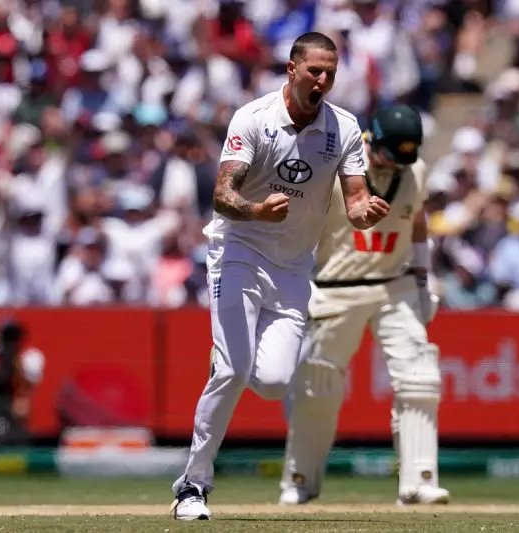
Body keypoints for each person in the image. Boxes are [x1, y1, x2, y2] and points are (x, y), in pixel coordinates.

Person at [170, 32, 390, 521]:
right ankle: (193, 486)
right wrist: (256, 212)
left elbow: (354, 196)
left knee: (271, 381)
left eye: (331, 72)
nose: (324, 80)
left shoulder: (345, 127)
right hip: (239, 249)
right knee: (232, 370)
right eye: (315, 70)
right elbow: (222, 194)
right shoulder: (254, 118)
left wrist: (362, 212)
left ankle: (229, 354)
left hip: (293, 266)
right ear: (292, 69)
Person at [278, 104, 450, 506]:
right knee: (318, 382)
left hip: (395, 286)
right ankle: (300, 479)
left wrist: (423, 277)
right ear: (373, 140)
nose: (401, 163)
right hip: (336, 288)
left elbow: (418, 221)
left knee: (419, 375)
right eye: (394, 153)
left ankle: (419, 480)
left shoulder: (415, 170)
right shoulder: (334, 173)